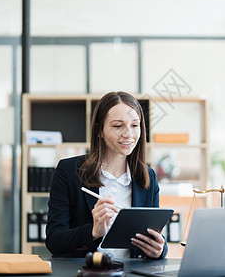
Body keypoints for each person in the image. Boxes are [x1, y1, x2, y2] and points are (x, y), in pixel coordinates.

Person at [46, 91, 168, 259]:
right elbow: (54, 241)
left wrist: (160, 250)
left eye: (134, 125)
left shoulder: (147, 177)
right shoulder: (68, 171)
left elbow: (154, 234)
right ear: (99, 131)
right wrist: (94, 231)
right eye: (118, 126)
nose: (128, 134)